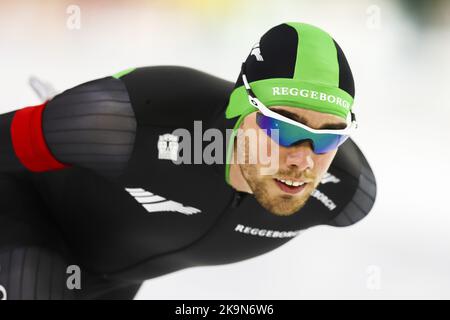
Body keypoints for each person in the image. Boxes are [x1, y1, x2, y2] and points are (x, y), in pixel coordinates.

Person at [0, 22, 376, 300]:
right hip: (26, 212)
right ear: (239, 109)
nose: (302, 159)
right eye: (283, 128)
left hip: (110, 282)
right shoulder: (131, 121)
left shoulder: (346, 191)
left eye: (329, 137)